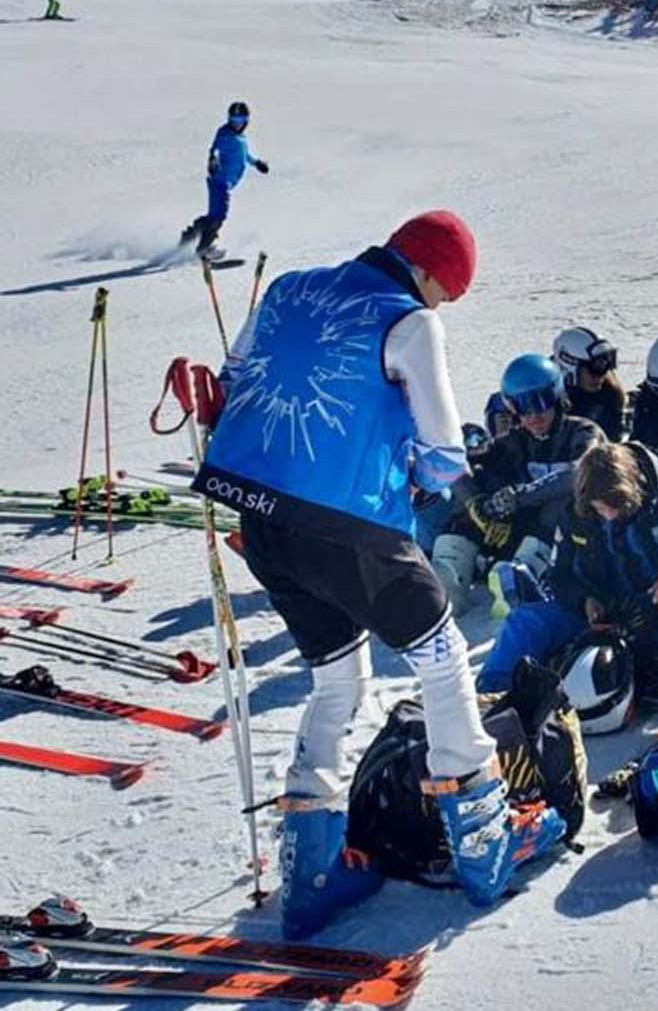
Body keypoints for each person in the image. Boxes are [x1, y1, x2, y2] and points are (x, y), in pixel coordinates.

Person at [195, 210, 565, 937]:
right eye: (445, 294)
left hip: (262, 522)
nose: (440, 308)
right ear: (428, 273)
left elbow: (234, 377)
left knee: (338, 679)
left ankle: (312, 872)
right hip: (349, 527)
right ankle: (486, 844)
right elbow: (439, 445)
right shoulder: (410, 322)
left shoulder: (290, 287)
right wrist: (427, 473)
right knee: (443, 659)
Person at [477, 441, 658, 839]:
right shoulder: (574, 515)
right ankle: (488, 716)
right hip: (602, 615)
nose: (609, 514)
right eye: (601, 507)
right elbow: (560, 577)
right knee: (525, 621)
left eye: (615, 505)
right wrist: (585, 600)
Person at [431, 353, 602, 615]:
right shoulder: (514, 441)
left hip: (571, 537)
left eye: (540, 402)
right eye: (522, 406)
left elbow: (579, 473)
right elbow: (463, 470)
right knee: (467, 509)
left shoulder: (582, 432)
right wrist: (479, 505)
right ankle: (450, 580)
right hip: (522, 529)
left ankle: (521, 581)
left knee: (562, 502)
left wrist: (518, 498)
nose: (533, 415)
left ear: (557, 397)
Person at [179, 101, 267, 260]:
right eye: (234, 120)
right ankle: (203, 249)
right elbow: (215, 149)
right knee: (219, 215)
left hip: (224, 182)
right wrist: (212, 160)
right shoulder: (224, 134)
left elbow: (244, 156)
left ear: (246, 121)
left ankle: (190, 235)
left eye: (240, 121)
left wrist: (257, 163)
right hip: (220, 181)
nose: (237, 124)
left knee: (214, 215)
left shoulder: (241, 138)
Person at [553, 325, 625, 439]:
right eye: (593, 369)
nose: (600, 377)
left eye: (605, 368)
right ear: (569, 365)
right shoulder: (546, 397)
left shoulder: (609, 394)